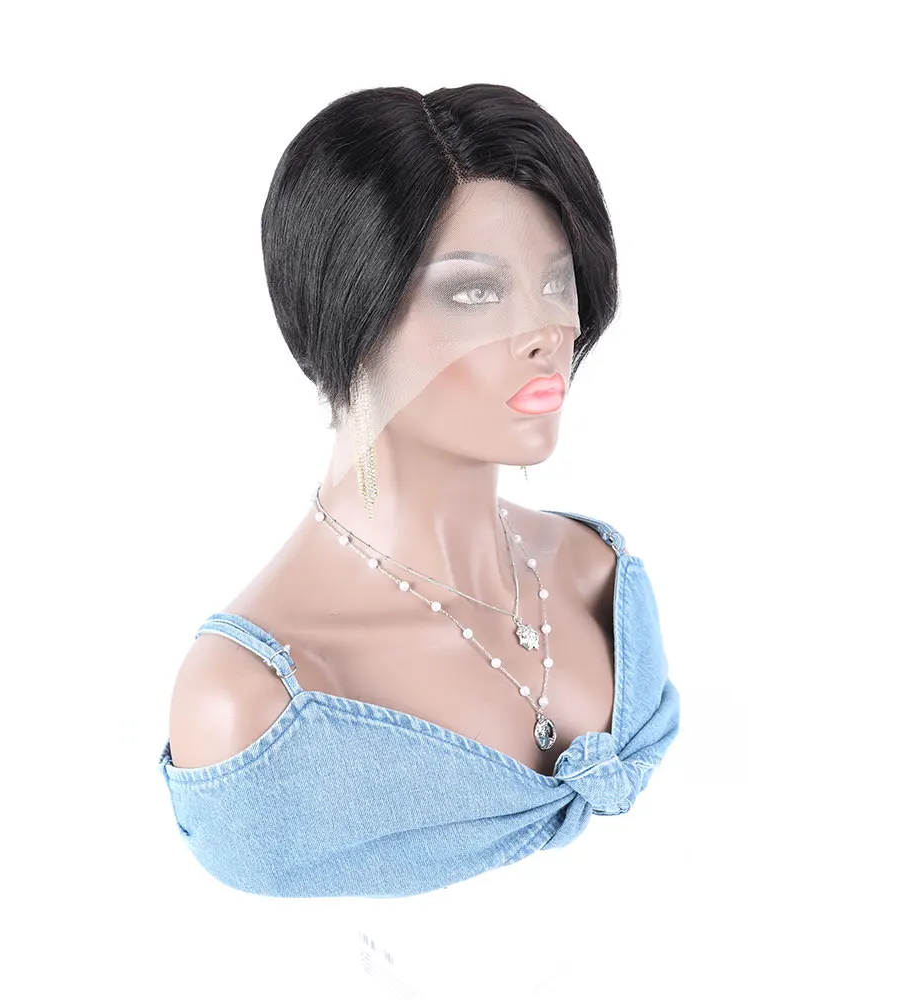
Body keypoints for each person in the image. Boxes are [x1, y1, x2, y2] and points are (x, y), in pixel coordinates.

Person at [157, 83, 680, 993]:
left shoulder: (601, 579)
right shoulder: (255, 706)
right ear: (352, 315)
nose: (546, 331)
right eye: (474, 291)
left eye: (556, 280)